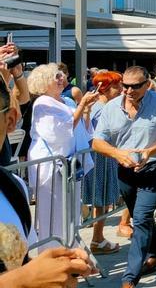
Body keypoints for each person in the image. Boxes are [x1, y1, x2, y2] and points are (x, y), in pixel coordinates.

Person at [92, 66, 156, 288]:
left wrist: (150, 151)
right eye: (125, 86)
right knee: (141, 216)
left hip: (154, 168)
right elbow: (97, 142)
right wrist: (117, 153)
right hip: (124, 171)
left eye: (135, 86)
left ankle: (130, 277)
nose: (129, 90)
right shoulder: (111, 107)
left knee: (141, 219)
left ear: (147, 84)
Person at [27, 63, 99, 250]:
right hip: (51, 167)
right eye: (56, 77)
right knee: (53, 214)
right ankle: (53, 253)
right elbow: (58, 133)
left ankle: (70, 249)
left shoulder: (66, 101)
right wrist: (81, 105)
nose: (61, 79)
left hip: (69, 165)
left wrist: (86, 109)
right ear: (44, 82)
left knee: (70, 212)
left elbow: (81, 129)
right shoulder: (42, 103)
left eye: (61, 75)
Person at [81, 70, 123, 255]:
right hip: (99, 158)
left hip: (105, 156)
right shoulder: (99, 107)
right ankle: (97, 239)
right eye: (116, 86)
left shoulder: (107, 106)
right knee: (101, 200)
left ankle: (98, 238)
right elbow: (92, 134)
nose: (121, 89)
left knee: (102, 201)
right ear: (104, 88)